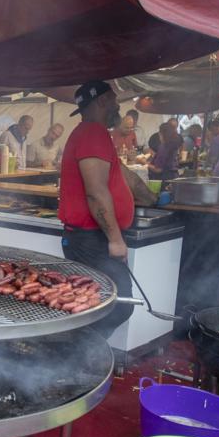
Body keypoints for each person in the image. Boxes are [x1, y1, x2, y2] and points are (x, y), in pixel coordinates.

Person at [58, 81, 134, 338]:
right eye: (114, 100)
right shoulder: (93, 133)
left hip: (90, 237)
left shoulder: (93, 133)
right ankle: (81, 359)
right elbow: (95, 191)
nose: (118, 105)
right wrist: (115, 240)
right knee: (113, 306)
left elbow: (119, 176)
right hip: (91, 239)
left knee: (104, 305)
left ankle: (83, 359)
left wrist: (150, 195)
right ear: (102, 101)